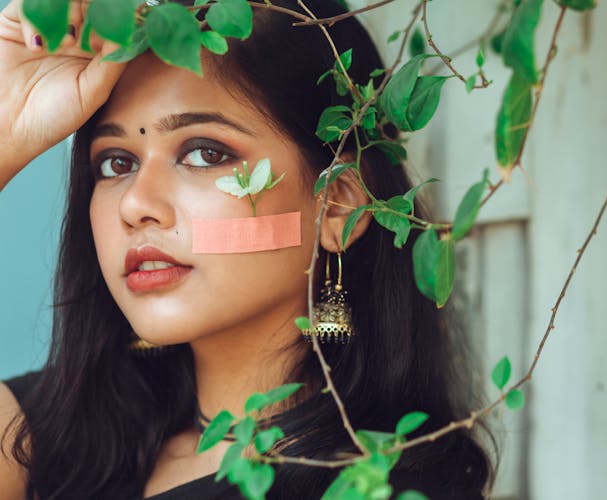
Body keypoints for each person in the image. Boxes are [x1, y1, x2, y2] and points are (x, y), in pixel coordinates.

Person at [0, 0, 493, 498]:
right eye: (115, 163)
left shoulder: (381, 483)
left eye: (204, 153)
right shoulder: (42, 434)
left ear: (339, 205)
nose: (135, 204)